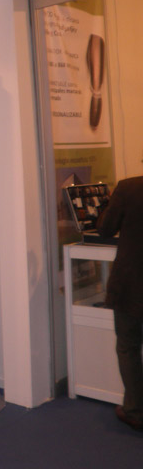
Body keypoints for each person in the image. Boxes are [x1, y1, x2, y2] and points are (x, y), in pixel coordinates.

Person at [97, 176, 143, 431]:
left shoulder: (129, 187)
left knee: (128, 346)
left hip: (131, 285)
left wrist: (108, 203)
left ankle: (135, 411)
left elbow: (105, 229)